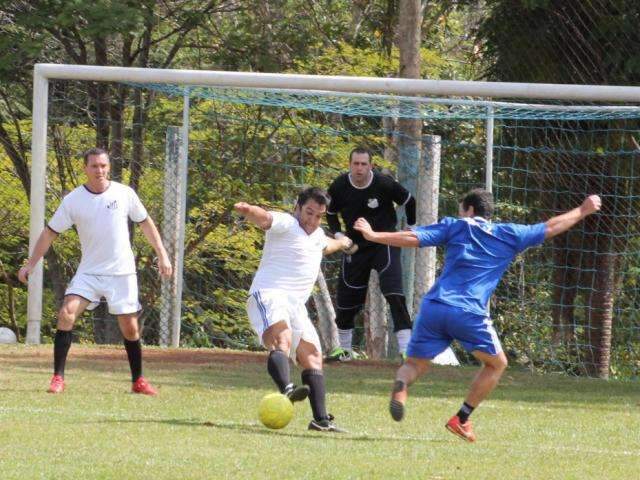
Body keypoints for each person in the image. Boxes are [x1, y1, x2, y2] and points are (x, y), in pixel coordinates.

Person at [354, 189, 601, 442]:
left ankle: (402, 387)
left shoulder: (455, 226)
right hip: (468, 311)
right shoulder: (510, 234)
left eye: (462, 209)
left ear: (470, 210)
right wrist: (583, 210)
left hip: (434, 306)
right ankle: (461, 418)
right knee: (497, 364)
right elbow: (550, 227)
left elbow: (413, 237)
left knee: (414, 364)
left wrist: (373, 235)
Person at [18, 148, 172, 395]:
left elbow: (145, 223)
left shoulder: (125, 194)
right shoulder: (73, 200)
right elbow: (49, 233)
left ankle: (138, 381)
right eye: (94, 166)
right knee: (66, 314)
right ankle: (58, 377)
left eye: (103, 166)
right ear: (85, 168)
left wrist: (162, 255)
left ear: (108, 167)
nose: (99, 170)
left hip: (122, 273)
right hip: (89, 273)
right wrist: (30, 264)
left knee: (130, 328)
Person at [235, 187, 353, 432]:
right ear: (297, 207)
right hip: (269, 294)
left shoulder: (318, 234)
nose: (312, 220)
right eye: (308, 212)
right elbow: (265, 218)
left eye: (318, 215)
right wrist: (248, 211)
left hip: (296, 306)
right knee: (283, 339)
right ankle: (287, 389)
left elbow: (327, 245)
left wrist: (342, 242)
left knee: (312, 356)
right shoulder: (286, 223)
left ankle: (320, 420)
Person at [325, 147, 415, 361]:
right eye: (355, 163)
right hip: (355, 248)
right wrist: (339, 235)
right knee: (347, 301)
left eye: (363, 164)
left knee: (394, 294)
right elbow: (330, 213)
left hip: (384, 242)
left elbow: (409, 201)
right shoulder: (338, 186)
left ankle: (407, 350)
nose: (359, 168)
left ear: (370, 166)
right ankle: (345, 351)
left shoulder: (384, 183)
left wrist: (412, 227)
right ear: (349, 165)